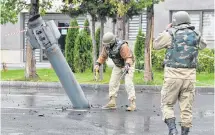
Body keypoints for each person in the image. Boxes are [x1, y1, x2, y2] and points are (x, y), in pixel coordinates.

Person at [153, 11, 207, 135]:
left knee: (167, 104)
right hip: (190, 77)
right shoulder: (196, 34)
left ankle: (172, 130)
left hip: (172, 75)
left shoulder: (170, 34)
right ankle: (184, 133)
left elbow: (156, 45)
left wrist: (166, 30)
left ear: (175, 21)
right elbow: (203, 45)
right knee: (186, 108)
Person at [94, 32, 136, 111]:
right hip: (118, 65)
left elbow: (129, 57)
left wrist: (127, 65)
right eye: (105, 44)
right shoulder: (107, 47)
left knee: (128, 83)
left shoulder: (123, 46)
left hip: (128, 65)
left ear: (112, 42)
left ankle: (132, 103)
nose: (105, 45)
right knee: (112, 83)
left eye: (107, 44)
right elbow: (103, 56)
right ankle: (112, 102)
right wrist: (98, 63)